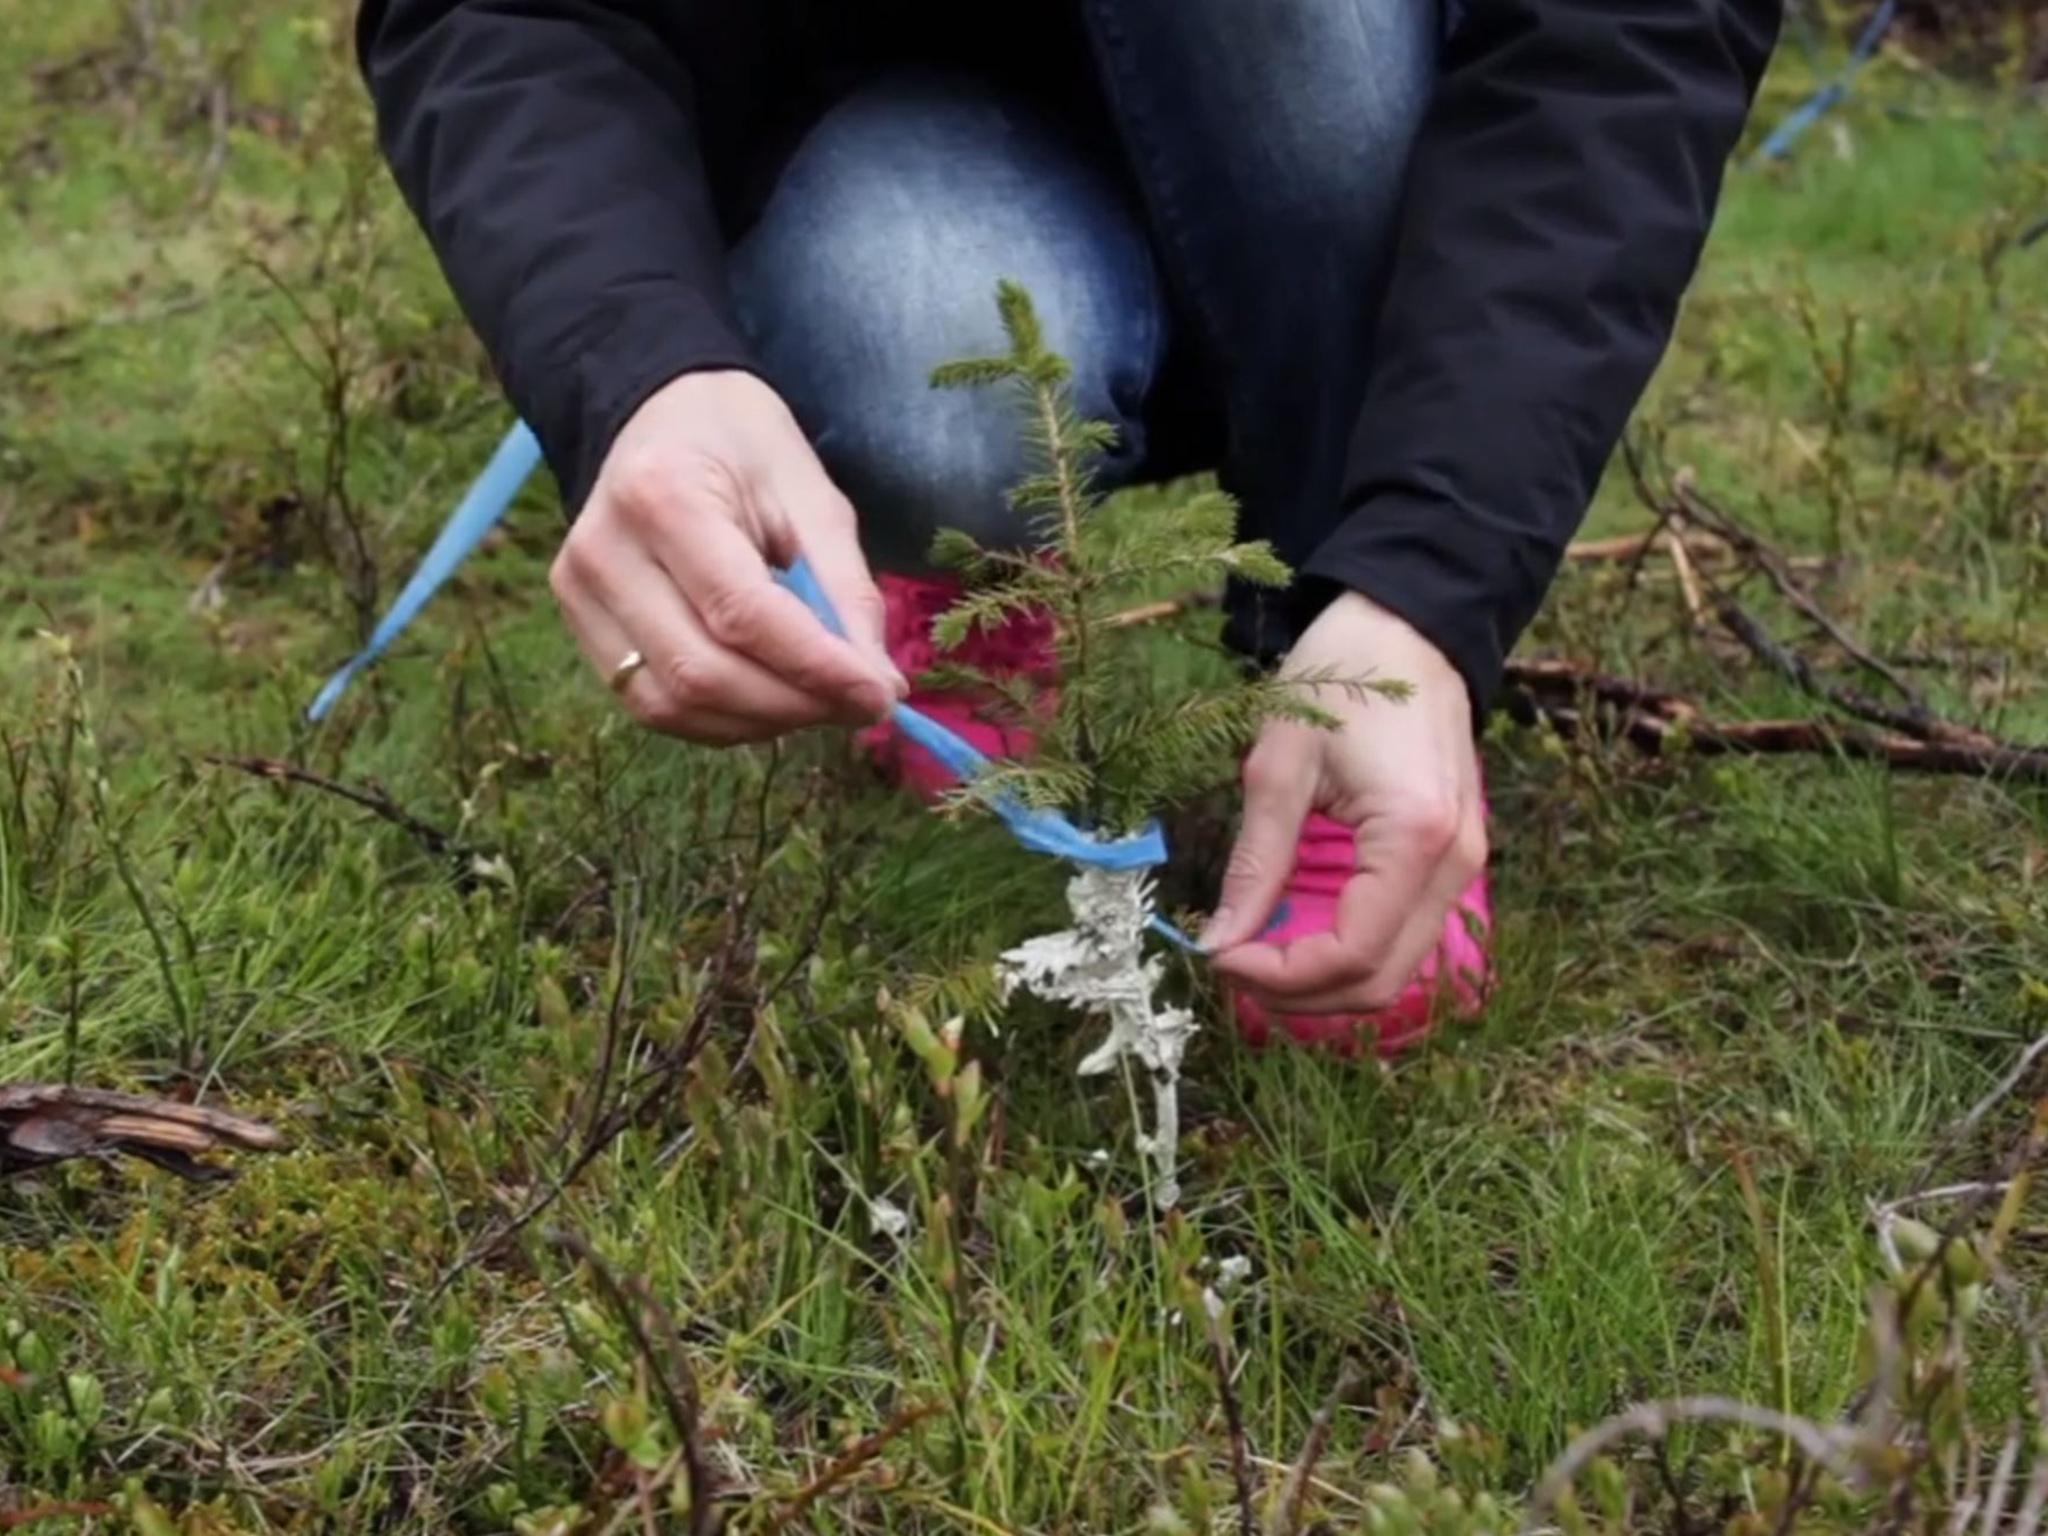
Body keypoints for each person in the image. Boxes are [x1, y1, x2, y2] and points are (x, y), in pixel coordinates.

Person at [355, 0, 1780, 1053]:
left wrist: (1426, 579)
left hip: (1353, 149)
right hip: (923, 141)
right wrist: (643, 372)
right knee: (909, 362)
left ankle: (1346, 685)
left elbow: (1627, 44)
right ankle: (974, 561)